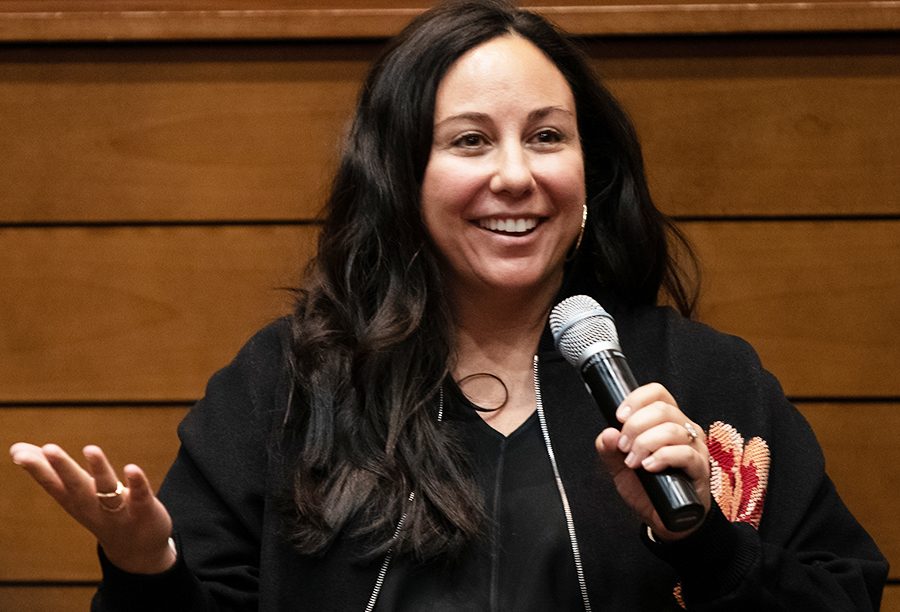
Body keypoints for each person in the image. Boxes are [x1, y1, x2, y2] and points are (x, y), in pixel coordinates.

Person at [9, 0, 888, 610]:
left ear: (590, 175)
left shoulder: (702, 377)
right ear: (403, 180)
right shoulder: (286, 383)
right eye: (470, 141)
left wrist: (704, 543)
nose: (516, 174)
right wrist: (147, 565)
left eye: (547, 136)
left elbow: (841, 591)